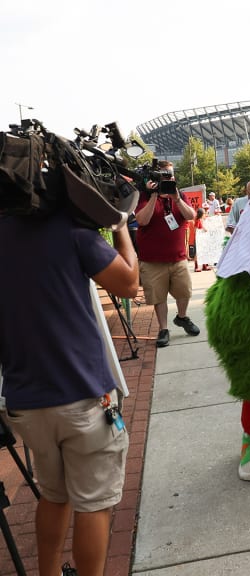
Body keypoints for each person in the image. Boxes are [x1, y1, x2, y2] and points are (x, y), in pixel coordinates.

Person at [0, 206, 138, 576]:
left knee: (53, 494)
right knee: (93, 504)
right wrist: (120, 227)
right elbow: (128, 283)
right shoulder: (69, 229)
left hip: (26, 404)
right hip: (83, 396)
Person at [134, 160, 201, 348]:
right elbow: (142, 220)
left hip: (177, 257)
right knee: (158, 297)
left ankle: (182, 317)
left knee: (184, 291)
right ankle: (163, 329)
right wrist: (154, 195)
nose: (167, 178)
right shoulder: (144, 196)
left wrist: (176, 197)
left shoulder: (180, 196)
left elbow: (190, 216)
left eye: (169, 175)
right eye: (163, 175)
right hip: (152, 260)